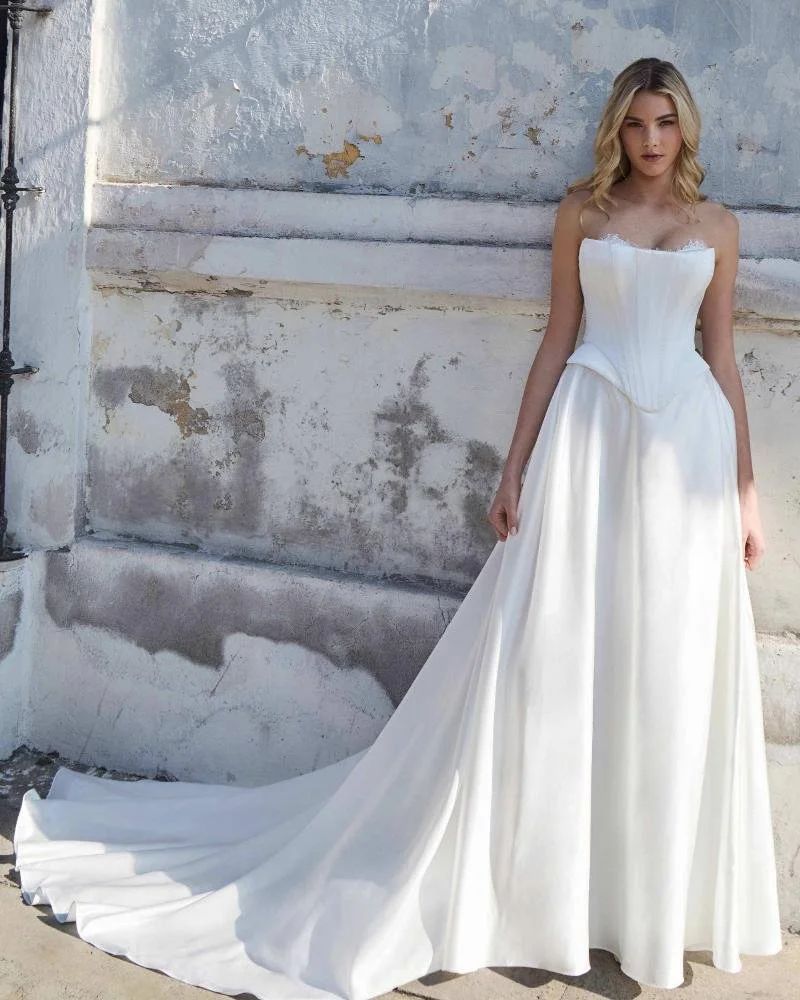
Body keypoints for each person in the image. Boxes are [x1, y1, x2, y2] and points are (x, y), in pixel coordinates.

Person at [13, 56, 782, 999]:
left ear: (685, 128)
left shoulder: (718, 228)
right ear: (617, 130)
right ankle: (550, 890)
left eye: (665, 122)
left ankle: (643, 900)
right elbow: (556, 339)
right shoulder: (583, 213)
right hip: (587, 444)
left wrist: (744, 491)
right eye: (636, 124)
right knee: (560, 653)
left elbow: (722, 355)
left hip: (687, 460)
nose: (652, 140)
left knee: (668, 664)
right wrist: (513, 466)